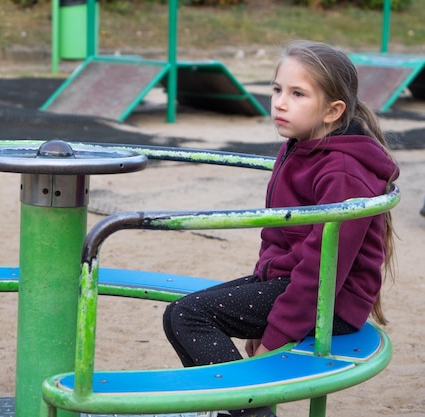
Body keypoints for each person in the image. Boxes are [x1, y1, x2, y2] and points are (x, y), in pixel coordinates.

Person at [163, 40, 400, 417]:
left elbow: (324, 269)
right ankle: (245, 407)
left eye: (297, 94)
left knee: (189, 316)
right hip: (296, 284)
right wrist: (263, 303)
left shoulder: (341, 172)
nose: (280, 102)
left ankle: (252, 408)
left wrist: (276, 334)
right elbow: (275, 235)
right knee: (182, 312)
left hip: (332, 301)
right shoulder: (298, 147)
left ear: (333, 111)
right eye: (276, 89)